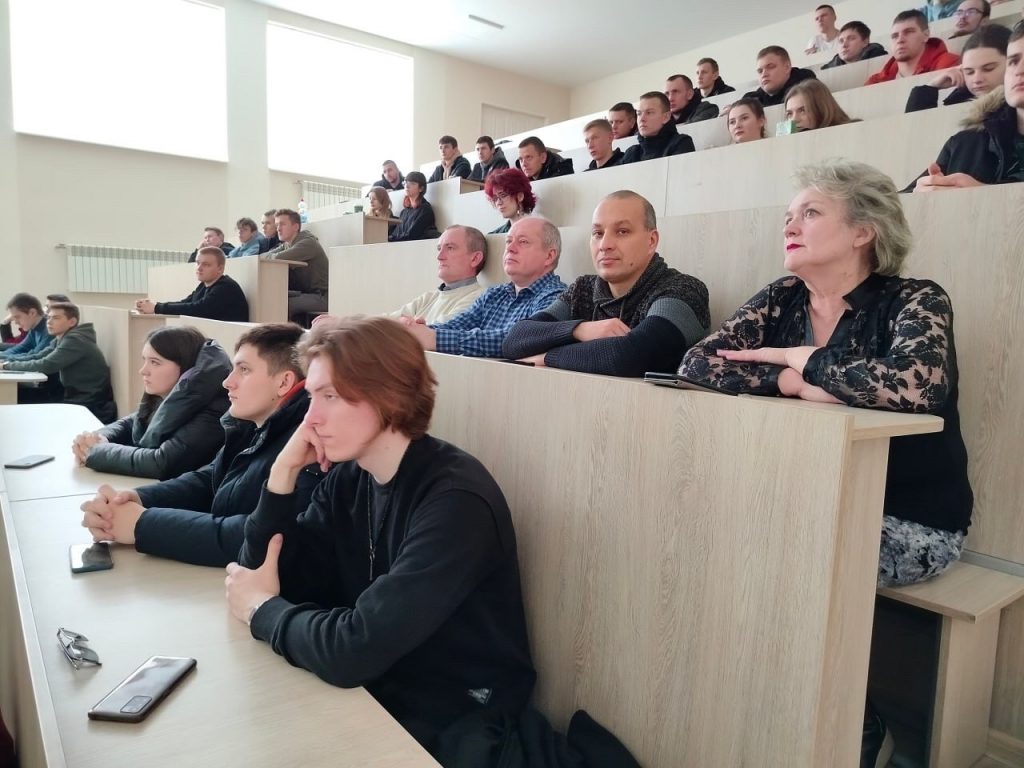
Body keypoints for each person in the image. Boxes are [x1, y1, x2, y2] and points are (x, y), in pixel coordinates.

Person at [679, 160, 973, 768]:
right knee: (714, 530)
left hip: (911, 519)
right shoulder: (781, 297)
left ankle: (854, 724)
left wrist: (803, 361)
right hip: (805, 501)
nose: (790, 225)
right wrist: (789, 382)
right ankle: (748, 713)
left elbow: (915, 386)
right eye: (789, 215)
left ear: (864, 230)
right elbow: (699, 363)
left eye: (810, 213)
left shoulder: (916, 299)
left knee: (774, 553)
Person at [222, 316, 536, 753]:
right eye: (312, 396)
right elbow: (267, 575)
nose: (310, 419)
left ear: (388, 395)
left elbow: (353, 649)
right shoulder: (351, 476)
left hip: (455, 715)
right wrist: (281, 474)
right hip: (381, 690)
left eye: (330, 396)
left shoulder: (456, 500)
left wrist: (261, 611)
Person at [80, 324, 319, 568]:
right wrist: (138, 498)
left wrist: (143, 524)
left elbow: (262, 536)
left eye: (244, 370)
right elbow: (210, 479)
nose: (228, 382)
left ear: (284, 382)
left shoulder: (308, 445)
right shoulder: (251, 424)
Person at [502, 191, 709, 376]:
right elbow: (515, 340)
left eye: (622, 231)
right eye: (598, 234)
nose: (605, 245)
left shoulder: (683, 290)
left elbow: (633, 354)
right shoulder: (583, 289)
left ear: (651, 241)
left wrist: (547, 357)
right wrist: (580, 330)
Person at [72, 326, 231, 480]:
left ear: (187, 368)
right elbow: (133, 422)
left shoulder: (215, 410)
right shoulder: (169, 396)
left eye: (155, 362)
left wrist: (96, 451)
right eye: (145, 360)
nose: (143, 371)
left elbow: (161, 463)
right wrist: (99, 438)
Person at [400, 217, 566, 358]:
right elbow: (457, 325)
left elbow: (521, 339)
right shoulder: (494, 294)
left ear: (549, 256)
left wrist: (434, 338)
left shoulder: (558, 297)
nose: (510, 248)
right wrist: (418, 331)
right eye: (508, 241)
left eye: (523, 242)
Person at [910, 22, 1024, 190]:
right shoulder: (965, 141)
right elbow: (902, 197)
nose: (1019, 70)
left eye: (988, 68)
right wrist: (926, 188)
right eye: (1013, 62)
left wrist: (981, 194)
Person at [0, 302, 115, 423]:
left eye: (56, 318)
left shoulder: (75, 340)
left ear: (72, 322)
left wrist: (7, 366)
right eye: (49, 317)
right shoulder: (61, 338)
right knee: (16, 395)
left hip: (88, 404)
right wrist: (5, 362)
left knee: (16, 398)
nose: (49, 322)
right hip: (72, 397)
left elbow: (46, 364)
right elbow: (37, 356)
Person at [389, 226, 487, 324]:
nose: (439, 257)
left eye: (450, 248)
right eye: (439, 248)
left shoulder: (480, 299)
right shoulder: (427, 298)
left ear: (475, 259)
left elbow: (440, 330)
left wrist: (403, 325)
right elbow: (385, 323)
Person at [906, 24, 1010, 111]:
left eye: (988, 69)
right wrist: (932, 87)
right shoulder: (957, 101)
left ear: (1013, 64)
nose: (977, 79)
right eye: (969, 72)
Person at [135, 246, 250, 322]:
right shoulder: (204, 284)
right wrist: (155, 305)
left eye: (206, 264)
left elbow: (197, 309)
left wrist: (157, 308)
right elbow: (186, 302)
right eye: (198, 263)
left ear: (220, 269)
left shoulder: (226, 287)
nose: (199, 268)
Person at [266, 208, 330, 322]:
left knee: (279, 304)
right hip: (307, 294)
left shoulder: (308, 243)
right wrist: (270, 256)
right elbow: (265, 256)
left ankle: (283, 332)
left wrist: (271, 256)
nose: (278, 229)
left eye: (282, 224)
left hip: (323, 296)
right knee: (272, 296)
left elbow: (277, 258)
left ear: (295, 227)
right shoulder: (287, 244)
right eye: (277, 225)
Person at [866, 10, 961, 85]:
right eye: (895, 36)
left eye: (909, 32)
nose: (900, 40)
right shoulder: (876, 81)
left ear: (926, 35)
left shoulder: (949, 65)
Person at [622, 92, 695, 164]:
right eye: (639, 114)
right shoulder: (632, 153)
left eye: (649, 113)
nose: (642, 119)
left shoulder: (681, 143)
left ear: (666, 117)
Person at [743, 46, 818, 107]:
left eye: (770, 67)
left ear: (787, 67)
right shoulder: (754, 98)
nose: (764, 74)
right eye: (760, 71)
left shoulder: (807, 83)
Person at [784, 79, 857, 131]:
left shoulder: (853, 130)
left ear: (821, 109)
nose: (794, 120)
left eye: (802, 110)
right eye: (789, 114)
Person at [388, 171, 439, 242]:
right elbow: (396, 233)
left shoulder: (425, 209)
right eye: (405, 183)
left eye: (412, 183)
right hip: (402, 245)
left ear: (421, 188)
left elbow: (412, 235)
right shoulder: (404, 212)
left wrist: (389, 238)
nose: (407, 186)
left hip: (417, 246)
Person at [0, 293, 52, 361]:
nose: (16, 322)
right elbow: (20, 348)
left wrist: (5, 360)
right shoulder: (34, 328)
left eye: (17, 317)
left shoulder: (50, 329)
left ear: (32, 313)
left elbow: (34, 356)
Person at [484, 168, 536, 235]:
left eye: (503, 195)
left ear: (520, 196)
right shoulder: (494, 235)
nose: (498, 203)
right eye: (495, 198)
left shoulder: (538, 229)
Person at [822, 21, 889, 69]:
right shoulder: (827, 70)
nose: (844, 45)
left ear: (865, 42)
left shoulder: (885, 62)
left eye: (851, 38)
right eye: (841, 41)